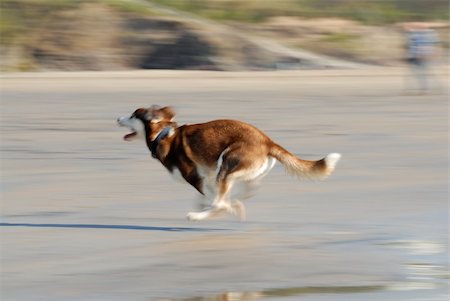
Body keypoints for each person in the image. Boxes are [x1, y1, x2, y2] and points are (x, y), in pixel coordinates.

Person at [404, 23, 440, 94]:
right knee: (414, 73)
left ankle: (425, 89)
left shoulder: (427, 34)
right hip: (413, 56)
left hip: (422, 56)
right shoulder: (415, 34)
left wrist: (431, 54)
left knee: (423, 73)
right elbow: (412, 44)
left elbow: (428, 45)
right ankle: (415, 89)